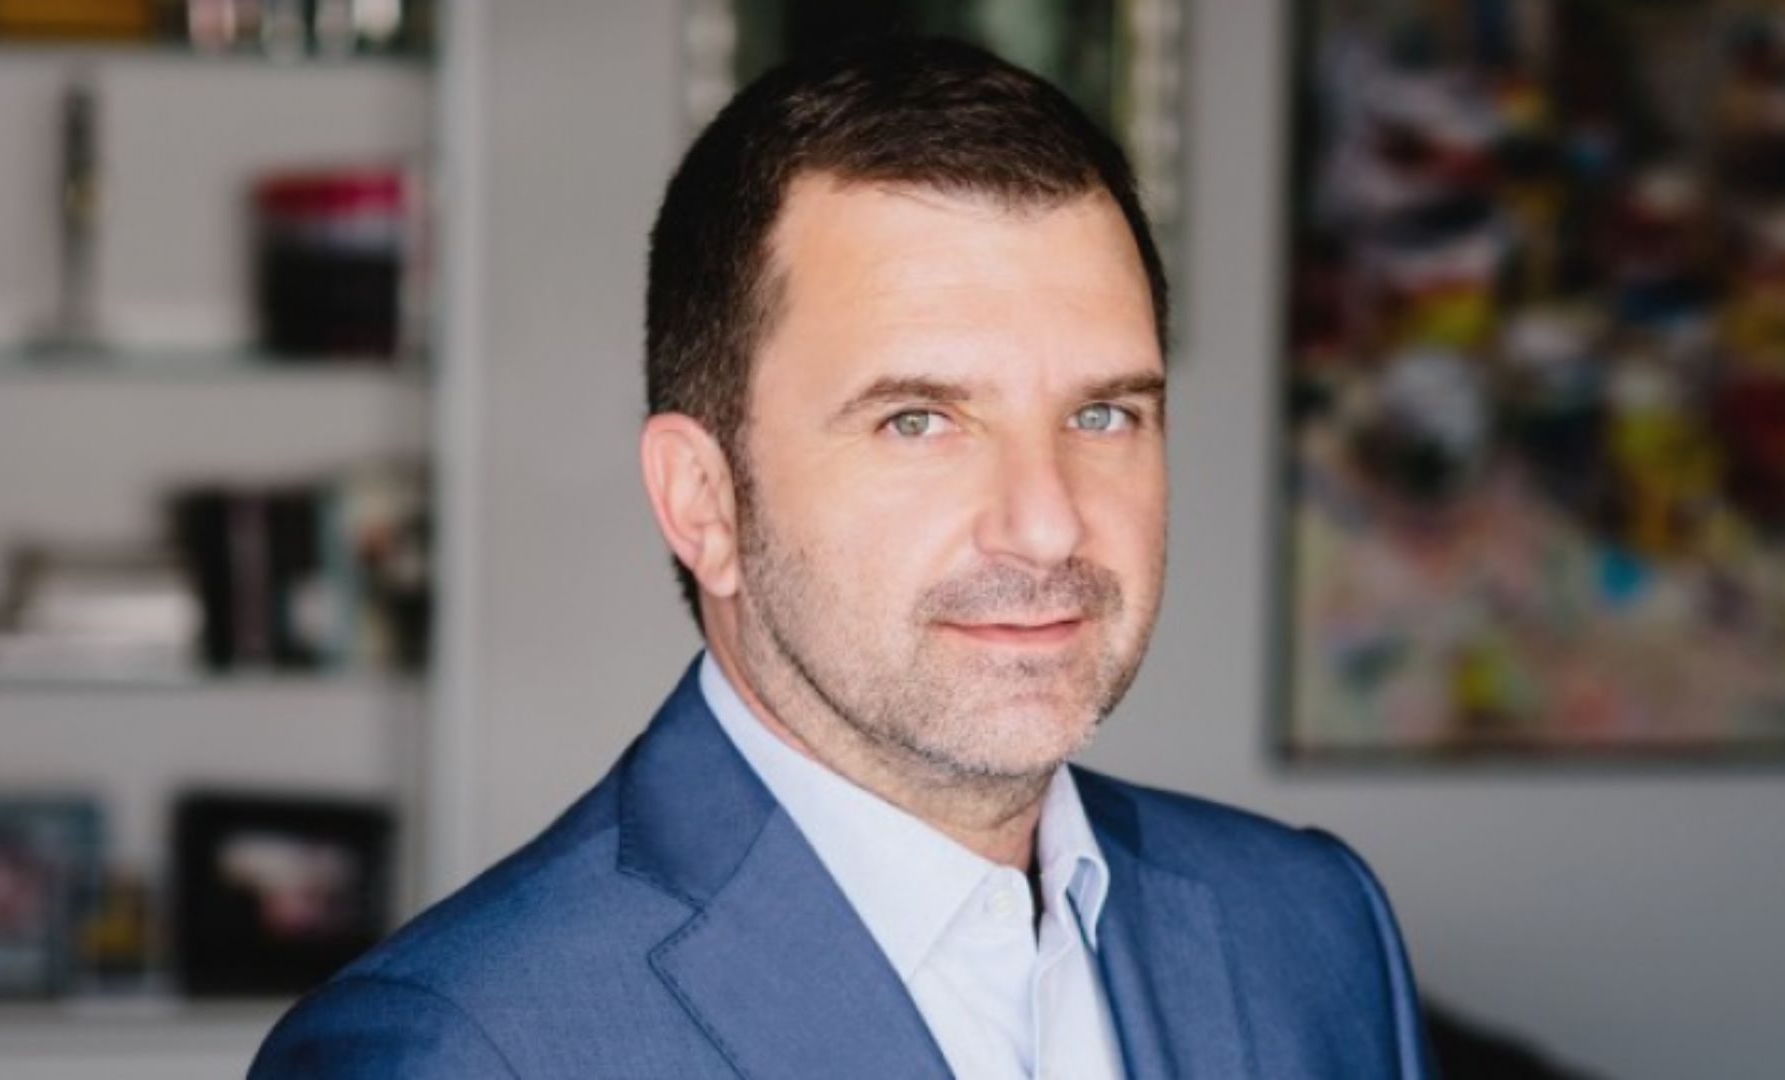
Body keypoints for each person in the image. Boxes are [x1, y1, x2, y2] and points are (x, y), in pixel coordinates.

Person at [251, 37, 1434, 1080]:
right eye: (918, 420)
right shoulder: (455, 1052)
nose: (1046, 524)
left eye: (1102, 414)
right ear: (703, 503)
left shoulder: (1311, 927)